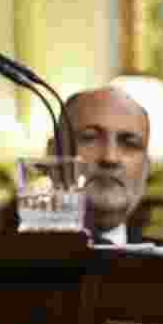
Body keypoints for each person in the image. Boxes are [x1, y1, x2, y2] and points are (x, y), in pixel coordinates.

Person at [61, 86, 151, 244]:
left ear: (146, 167)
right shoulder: (8, 258)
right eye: (90, 138)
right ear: (53, 153)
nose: (110, 158)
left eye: (129, 143)